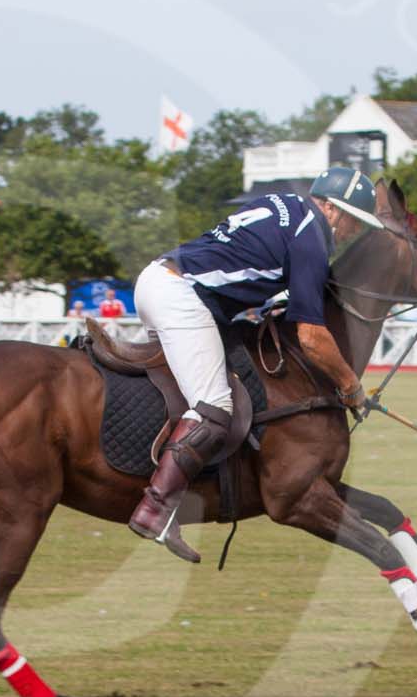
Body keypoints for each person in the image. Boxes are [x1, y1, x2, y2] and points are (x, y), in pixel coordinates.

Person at [127, 165, 381, 562]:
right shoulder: (313, 236)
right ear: (333, 209)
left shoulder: (283, 204)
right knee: (214, 406)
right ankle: (155, 509)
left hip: (160, 280)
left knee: (180, 391)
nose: (354, 231)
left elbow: (245, 266)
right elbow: (311, 337)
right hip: (180, 296)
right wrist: (350, 386)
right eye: (354, 221)